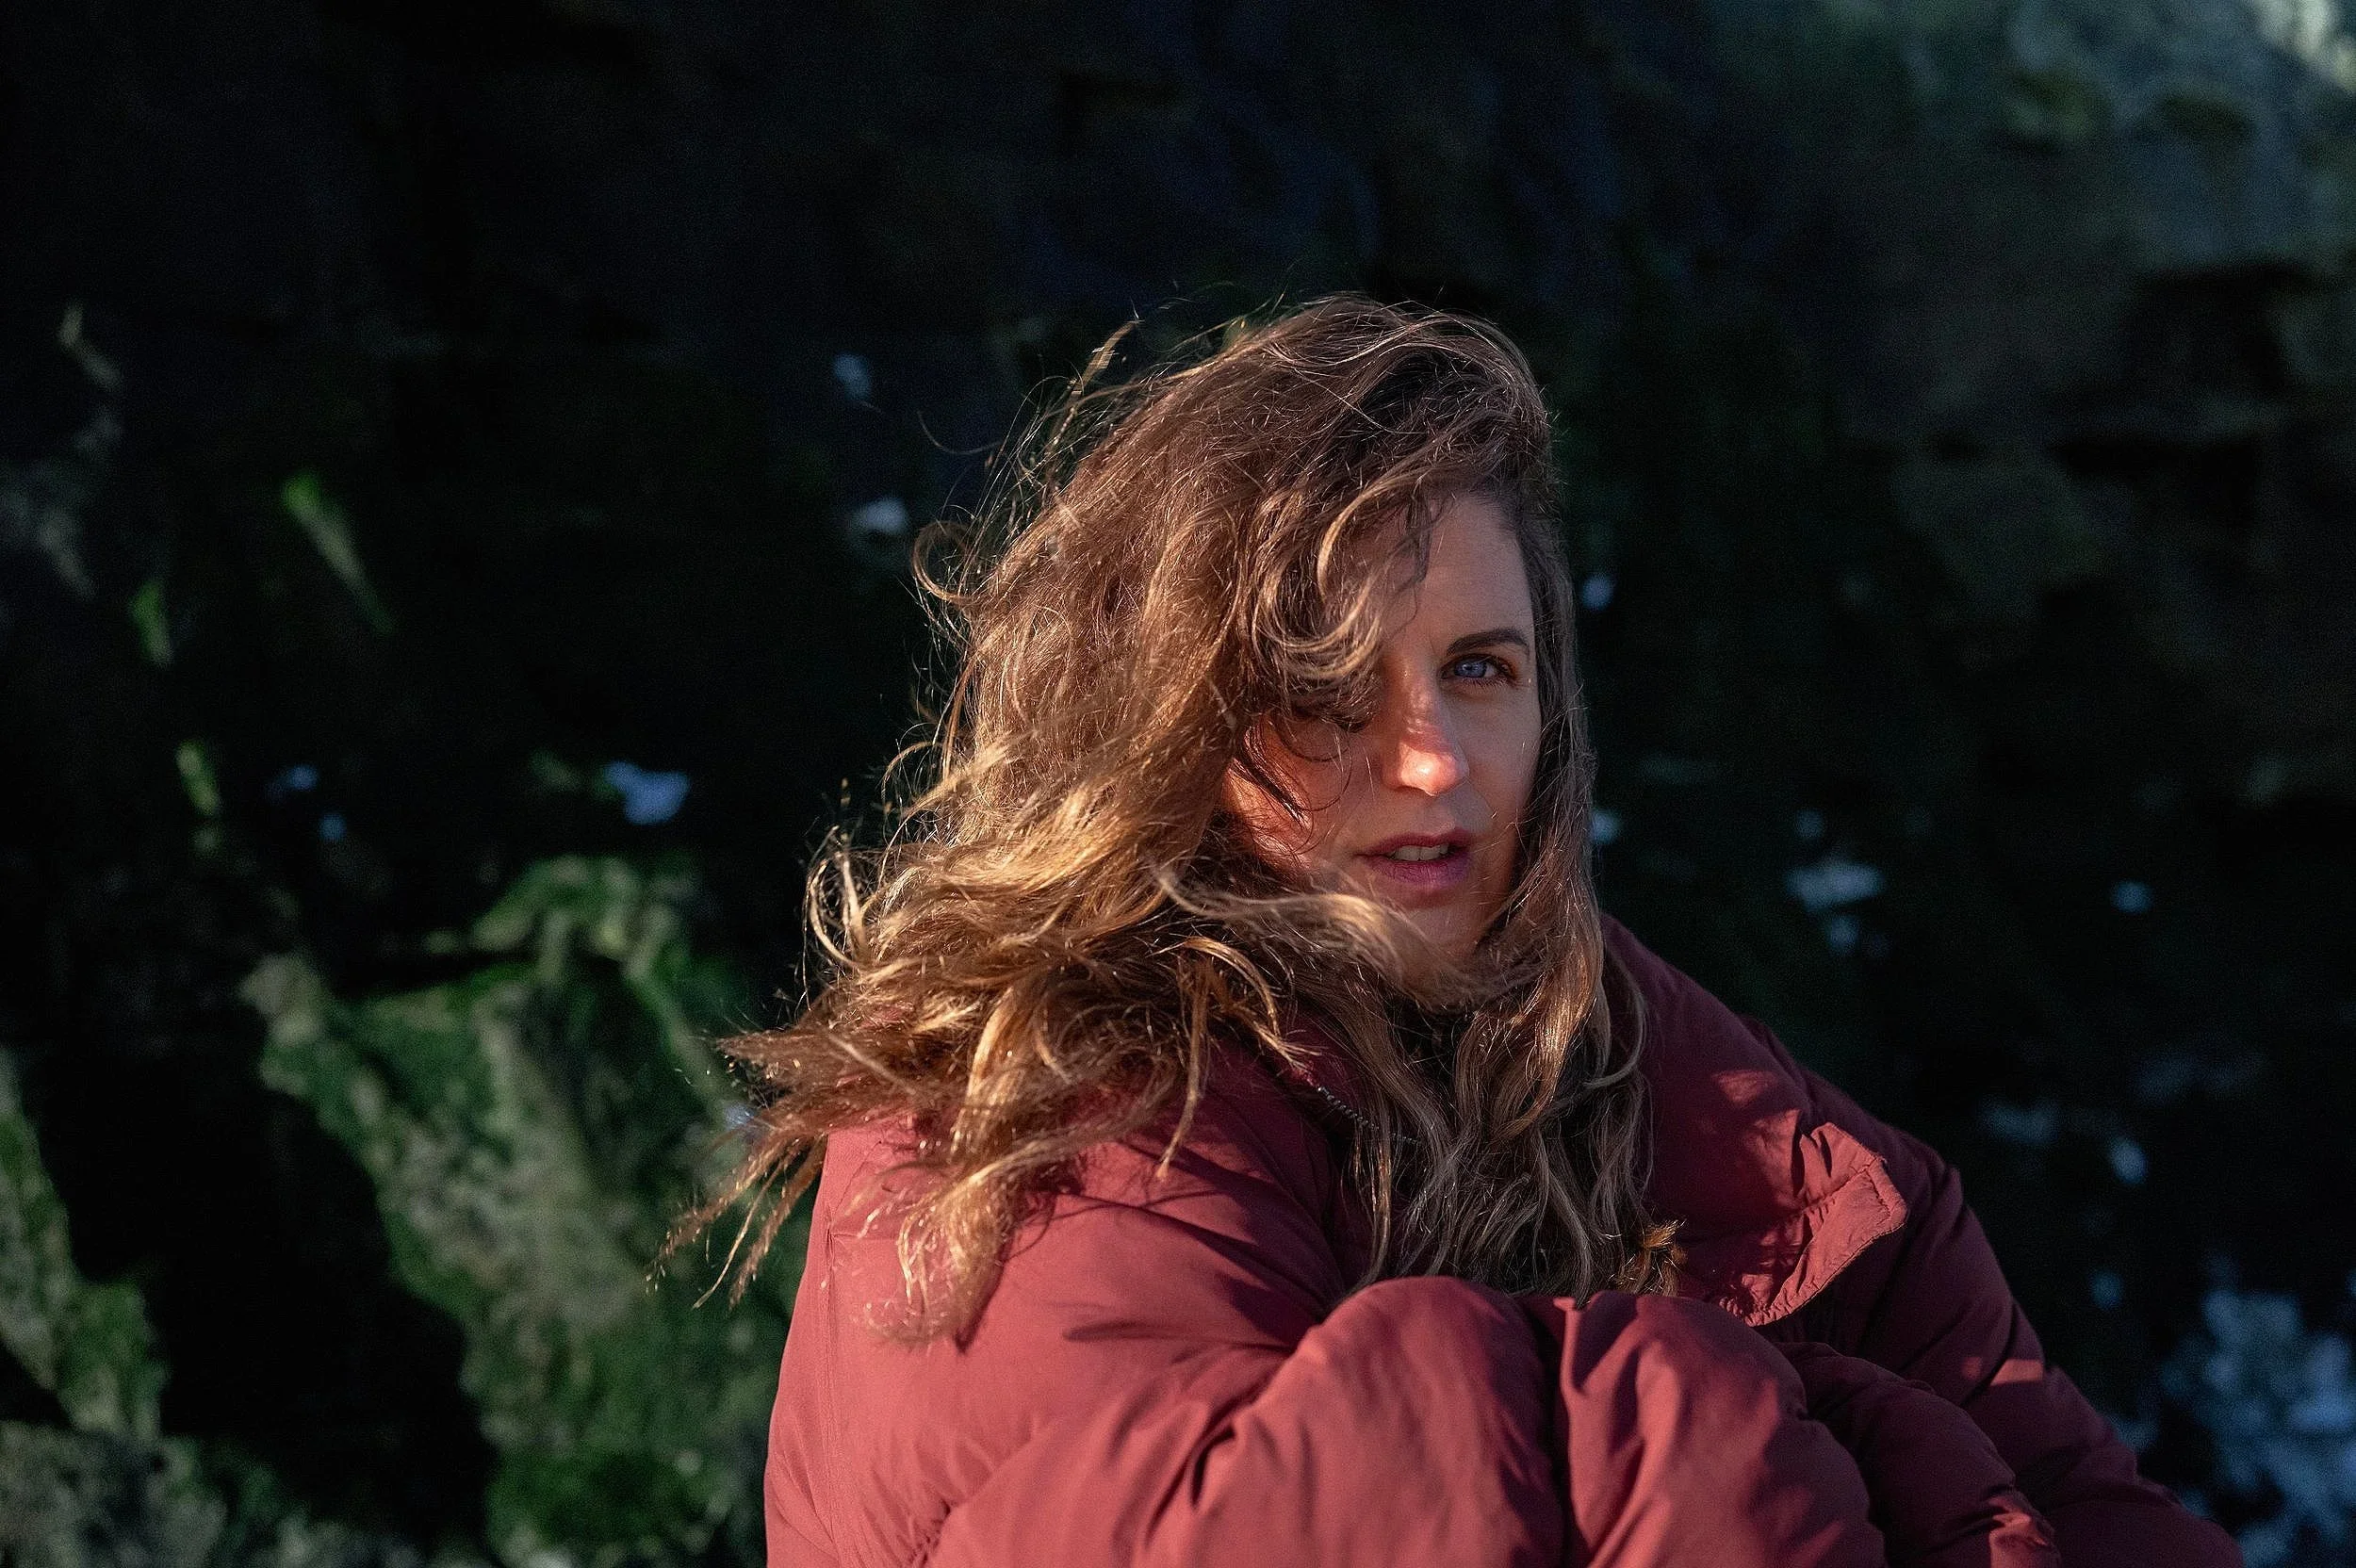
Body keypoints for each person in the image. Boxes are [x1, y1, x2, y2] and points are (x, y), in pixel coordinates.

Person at [695, 298, 2237, 1565]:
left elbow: (2071, 1480)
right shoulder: (1049, 1100)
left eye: (1483, 669)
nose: (1433, 759)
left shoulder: (1630, 1056)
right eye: (1321, 689)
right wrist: (1789, 1418)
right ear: (1154, 719)